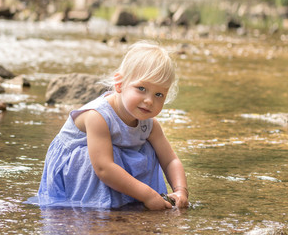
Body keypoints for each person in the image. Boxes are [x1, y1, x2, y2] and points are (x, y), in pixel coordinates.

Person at [36, 41, 189, 210]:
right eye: (141, 88)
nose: (149, 101)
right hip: (81, 168)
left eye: (159, 94)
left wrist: (181, 191)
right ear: (119, 83)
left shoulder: (149, 125)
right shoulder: (98, 116)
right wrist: (147, 194)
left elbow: (170, 160)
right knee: (102, 155)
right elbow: (104, 168)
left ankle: (129, 201)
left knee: (149, 148)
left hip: (110, 163)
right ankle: (95, 210)